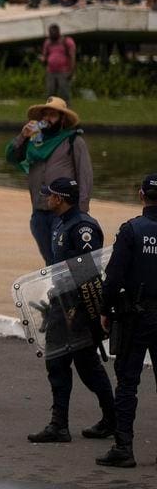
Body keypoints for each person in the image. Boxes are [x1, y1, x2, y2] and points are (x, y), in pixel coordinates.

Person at [26, 178, 115, 444]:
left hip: (76, 307)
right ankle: (59, 424)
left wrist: (76, 307)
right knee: (56, 363)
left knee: (87, 366)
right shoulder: (59, 222)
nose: (47, 199)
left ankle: (111, 418)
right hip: (59, 303)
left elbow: (87, 272)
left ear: (61, 198)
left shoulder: (83, 227)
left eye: (51, 195)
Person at [95, 174, 157, 468]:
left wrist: (104, 309)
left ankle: (124, 447)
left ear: (141, 195)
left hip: (136, 315)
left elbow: (114, 276)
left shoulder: (132, 230)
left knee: (128, 383)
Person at [5, 96, 93, 265]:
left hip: (65, 214)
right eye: (44, 114)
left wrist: (81, 213)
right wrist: (23, 136)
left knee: (66, 261)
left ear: (62, 119)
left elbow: (85, 177)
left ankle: (69, 291)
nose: (47, 119)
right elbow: (12, 156)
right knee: (50, 261)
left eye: (52, 115)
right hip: (39, 212)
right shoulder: (34, 141)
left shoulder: (73, 140)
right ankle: (56, 290)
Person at [41, 24, 75, 103]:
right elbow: (45, 56)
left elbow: (72, 57)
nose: (52, 34)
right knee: (50, 92)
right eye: (50, 32)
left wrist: (71, 71)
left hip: (63, 71)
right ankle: (50, 109)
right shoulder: (48, 42)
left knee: (64, 93)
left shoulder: (66, 41)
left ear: (58, 32)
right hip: (51, 71)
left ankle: (66, 110)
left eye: (53, 32)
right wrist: (43, 60)